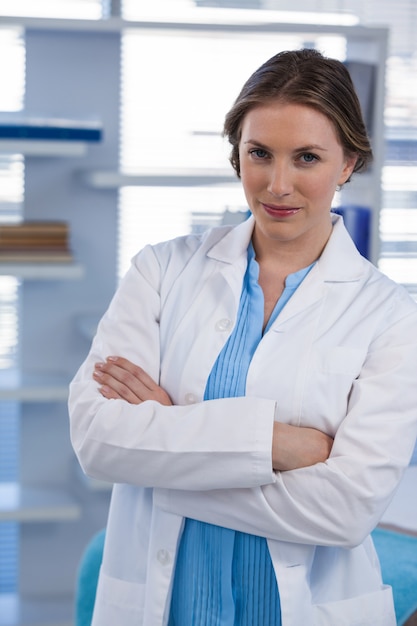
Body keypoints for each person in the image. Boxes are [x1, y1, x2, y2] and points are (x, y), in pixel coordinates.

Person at [69, 48, 417, 626]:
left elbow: (347, 510)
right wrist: (275, 445)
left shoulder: (392, 314)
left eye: (307, 157)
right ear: (237, 155)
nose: (278, 185)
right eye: (260, 154)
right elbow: (97, 439)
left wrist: (164, 456)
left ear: (349, 161)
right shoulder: (161, 270)